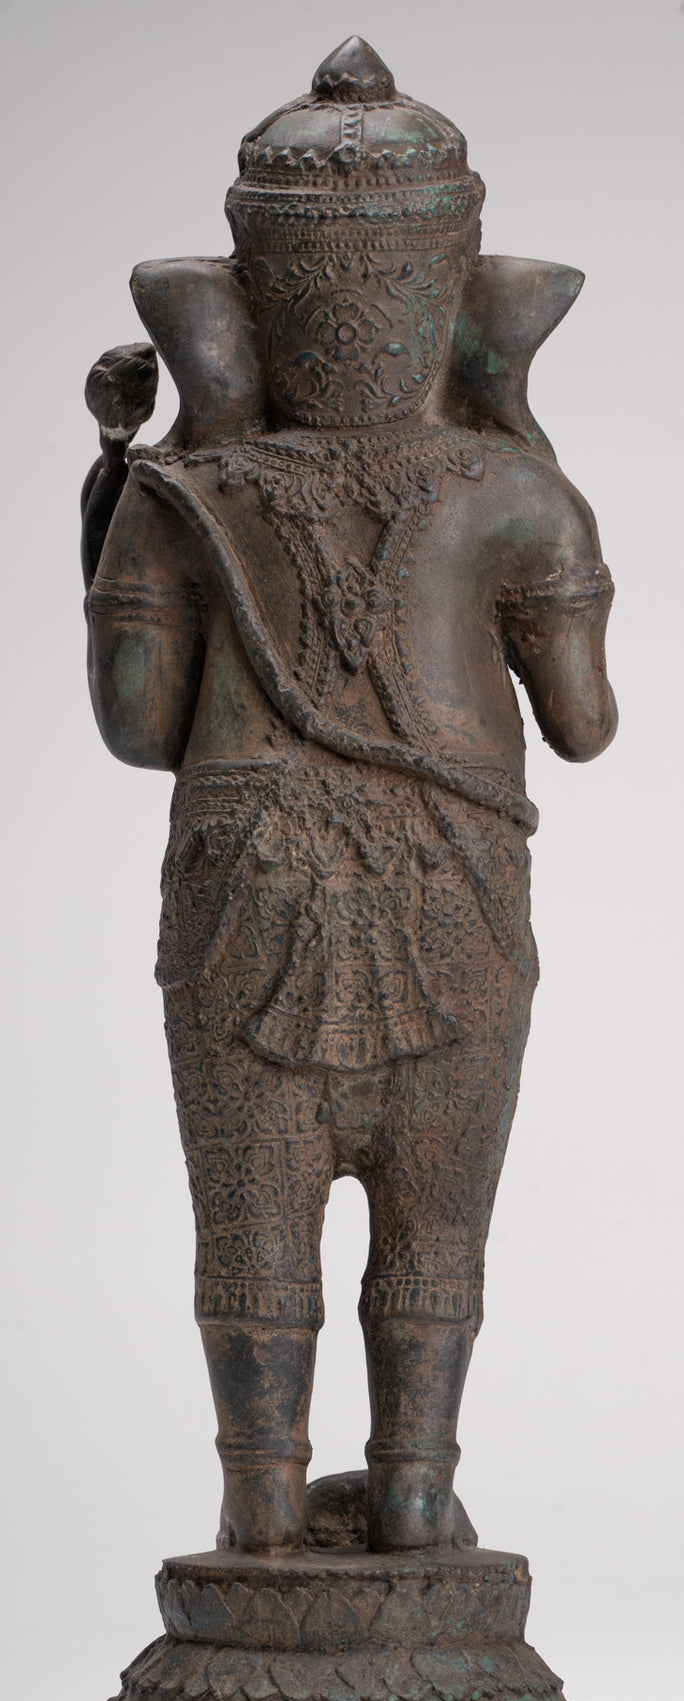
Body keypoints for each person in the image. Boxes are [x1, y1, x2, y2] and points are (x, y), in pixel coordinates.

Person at [84, 37, 617, 1555]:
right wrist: (526, 443)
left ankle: (257, 1509)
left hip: (241, 897)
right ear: (453, 284)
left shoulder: (186, 492)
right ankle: (415, 1492)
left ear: (253, 292)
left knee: (249, 1226)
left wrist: (122, 476)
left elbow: (137, 729)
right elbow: (584, 726)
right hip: (456, 895)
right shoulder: (515, 495)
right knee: (436, 1230)